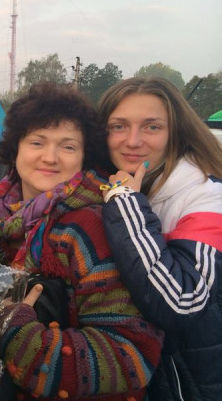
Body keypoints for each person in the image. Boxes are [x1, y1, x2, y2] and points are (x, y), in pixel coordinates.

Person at [0, 81, 163, 401]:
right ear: (16, 149)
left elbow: (130, 357)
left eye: (68, 147)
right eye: (37, 142)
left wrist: (16, 332)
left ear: (84, 156)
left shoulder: (88, 227)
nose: (50, 157)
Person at [98, 77, 222, 401]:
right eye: (118, 126)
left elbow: (182, 300)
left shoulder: (207, 196)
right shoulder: (114, 184)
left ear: (175, 132)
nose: (133, 141)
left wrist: (125, 202)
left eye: (152, 127)